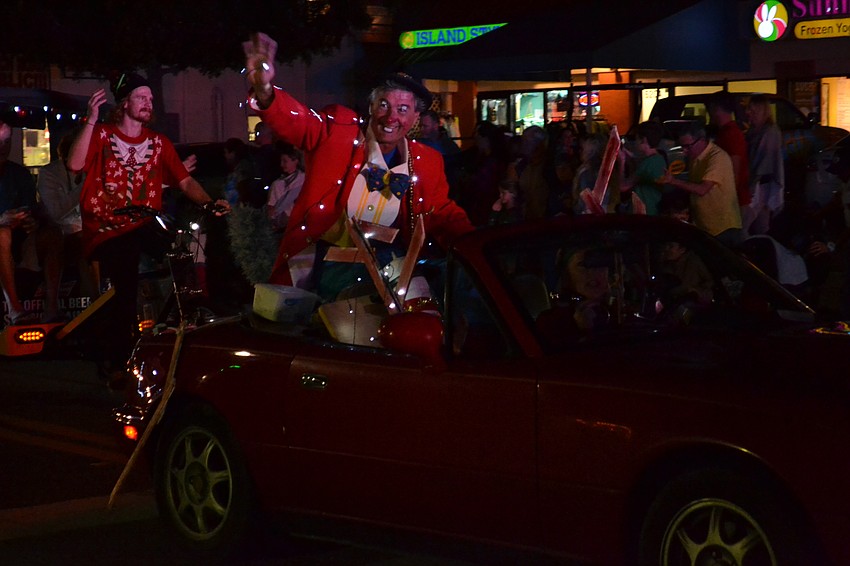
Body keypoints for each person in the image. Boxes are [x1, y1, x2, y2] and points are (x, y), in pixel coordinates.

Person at [243, 32, 474, 302]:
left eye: (402, 109)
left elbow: (442, 213)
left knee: (422, 322)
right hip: (327, 266)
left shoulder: (427, 161)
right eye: (384, 105)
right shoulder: (339, 131)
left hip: (390, 267)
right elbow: (300, 122)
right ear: (371, 106)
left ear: (415, 118)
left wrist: (476, 246)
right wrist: (265, 91)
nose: (391, 117)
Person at [66, 72, 230, 381]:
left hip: (143, 221)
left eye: (150, 99)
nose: (148, 103)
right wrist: (90, 120)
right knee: (125, 279)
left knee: (184, 250)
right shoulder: (101, 135)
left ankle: (182, 328)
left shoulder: (158, 142)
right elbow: (74, 165)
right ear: (124, 103)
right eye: (142, 97)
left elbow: (184, 180)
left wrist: (209, 202)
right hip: (108, 227)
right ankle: (118, 362)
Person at [0, 119, 64, 324]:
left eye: (6, 142)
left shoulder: (19, 173)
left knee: (53, 234)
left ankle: (52, 308)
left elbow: (31, 209)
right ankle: (14, 308)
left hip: (21, 239)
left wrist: (32, 220)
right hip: (2, 237)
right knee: (2, 233)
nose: (3, 147)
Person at [36, 131, 99, 300]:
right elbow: (57, 212)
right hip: (58, 235)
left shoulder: (93, 171)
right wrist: (85, 187)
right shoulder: (49, 174)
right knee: (85, 241)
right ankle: (94, 300)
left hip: (89, 231)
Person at [663, 122, 742, 248]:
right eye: (682, 147)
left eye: (688, 146)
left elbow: (702, 189)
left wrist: (674, 181)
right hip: (706, 227)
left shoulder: (717, 158)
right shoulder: (695, 157)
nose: (684, 151)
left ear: (702, 140)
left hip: (723, 228)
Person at [455, 120, 510, 227]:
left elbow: (483, 185)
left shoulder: (493, 160)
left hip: (485, 206)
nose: (475, 140)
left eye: (477, 136)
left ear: (484, 138)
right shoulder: (479, 155)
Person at [744, 94, 784, 236]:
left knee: (745, 222)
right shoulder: (756, 130)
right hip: (760, 183)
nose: (748, 113)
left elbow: (764, 161)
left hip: (760, 183)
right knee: (761, 225)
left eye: (753, 111)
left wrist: (751, 185)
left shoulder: (768, 132)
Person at [708, 91, 750, 222]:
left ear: (717, 108)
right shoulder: (727, 131)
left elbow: (735, 167)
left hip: (735, 199)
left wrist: (729, 197)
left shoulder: (730, 133)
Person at [618, 121, 668, 215]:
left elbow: (623, 187)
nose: (635, 142)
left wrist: (622, 162)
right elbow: (637, 176)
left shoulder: (648, 163)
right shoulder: (659, 159)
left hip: (644, 213)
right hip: (652, 210)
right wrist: (630, 160)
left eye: (636, 138)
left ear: (643, 140)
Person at [266, 142, 305, 231]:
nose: (281, 164)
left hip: (295, 223)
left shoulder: (302, 179)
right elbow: (271, 207)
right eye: (281, 161)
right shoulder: (278, 184)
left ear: (295, 161)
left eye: (285, 161)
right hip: (281, 224)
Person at [222, 137, 257, 206]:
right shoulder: (236, 169)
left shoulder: (243, 169)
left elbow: (242, 190)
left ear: (233, 153)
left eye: (226, 152)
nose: (225, 156)